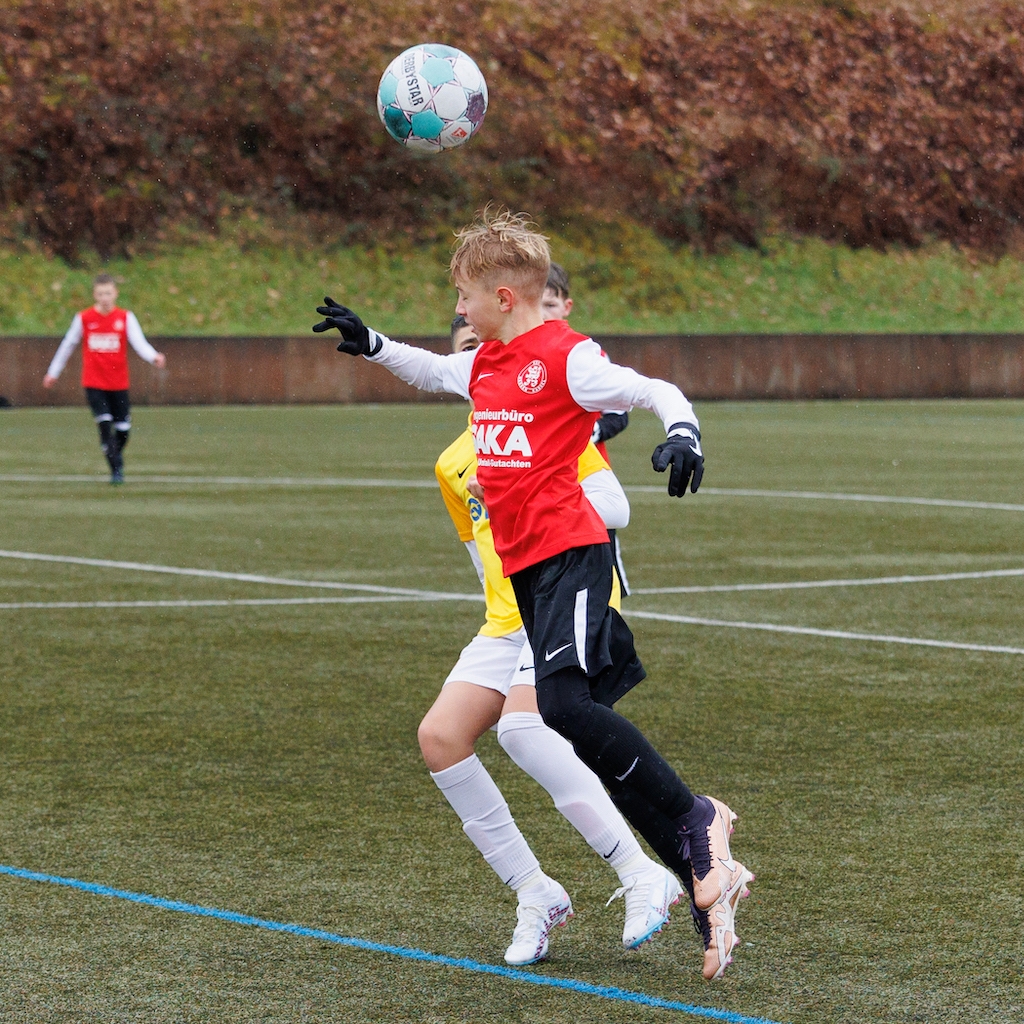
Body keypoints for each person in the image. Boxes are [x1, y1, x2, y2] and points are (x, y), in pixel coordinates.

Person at [313, 208, 753, 980]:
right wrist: (372, 342)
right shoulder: (483, 368)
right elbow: (431, 370)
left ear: (505, 297)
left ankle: (693, 825)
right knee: (542, 720)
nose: (458, 310)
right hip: (524, 584)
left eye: (464, 296)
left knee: (553, 715)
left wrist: (683, 432)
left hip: (574, 560)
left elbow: (653, 389)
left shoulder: (565, 357)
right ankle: (675, 870)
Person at [422, 314, 681, 966]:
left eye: (489, 344)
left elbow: (614, 506)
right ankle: (535, 892)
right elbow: (480, 553)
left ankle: (639, 871)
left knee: (525, 729)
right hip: (506, 618)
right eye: (467, 349)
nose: (481, 356)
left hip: (562, 598)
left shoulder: (545, 427)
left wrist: (520, 498)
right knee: (440, 738)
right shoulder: (451, 463)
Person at [43, 273, 166, 484]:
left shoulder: (125, 318)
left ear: (115, 293)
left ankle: (111, 450)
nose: (105, 298)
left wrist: (153, 356)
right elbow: (67, 345)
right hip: (94, 383)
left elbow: (139, 342)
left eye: (108, 293)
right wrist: (53, 372)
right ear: (95, 295)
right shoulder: (84, 319)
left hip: (118, 383)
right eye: (100, 294)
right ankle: (116, 469)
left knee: (123, 431)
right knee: (105, 423)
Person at [541, 263, 629, 462]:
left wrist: (589, 433)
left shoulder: (587, 355)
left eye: (550, 305)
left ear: (567, 307)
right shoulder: (509, 353)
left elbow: (618, 415)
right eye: (534, 305)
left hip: (585, 469)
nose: (542, 314)